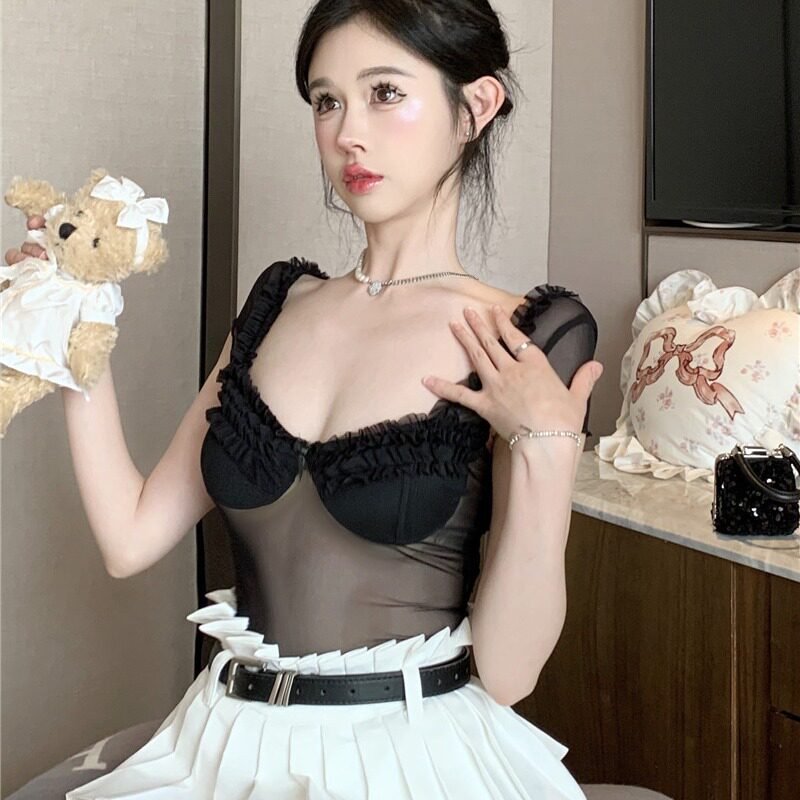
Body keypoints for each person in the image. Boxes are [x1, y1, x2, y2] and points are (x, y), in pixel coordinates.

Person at [5, 2, 603, 797]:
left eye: (385, 92)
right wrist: (73, 323)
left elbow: (510, 671)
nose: (348, 133)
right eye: (327, 101)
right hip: (221, 741)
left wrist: (548, 449)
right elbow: (130, 538)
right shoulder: (278, 304)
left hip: (413, 755)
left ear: (476, 106)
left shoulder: (526, 335)